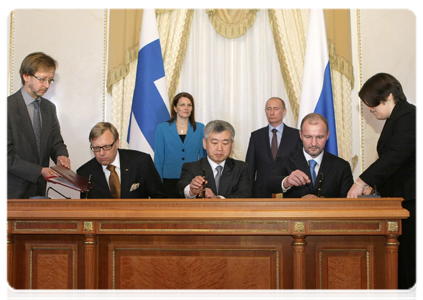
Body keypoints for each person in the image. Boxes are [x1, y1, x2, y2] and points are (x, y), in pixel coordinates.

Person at [346, 73, 419, 299]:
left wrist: (361, 182)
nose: (370, 109)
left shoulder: (410, 116)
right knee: (402, 267)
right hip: (401, 203)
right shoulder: (396, 119)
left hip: (414, 204)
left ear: (388, 97)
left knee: (413, 267)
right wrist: (374, 187)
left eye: (372, 104)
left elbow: (396, 156)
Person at [5, 52, 71, 199]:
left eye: (50, 80)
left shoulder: (49, 108)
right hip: (11, 194)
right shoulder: (6, 108)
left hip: (39, 193)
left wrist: (61, 155)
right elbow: (5, 157)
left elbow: (56, 141)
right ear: (26, 76)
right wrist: (40, 171)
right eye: (42, 79)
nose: (46, 85)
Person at [268, 113, 353, 198]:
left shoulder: (342, 166)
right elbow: (270, 183)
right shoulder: (285, 161)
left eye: (319, 137)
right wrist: (286, 182)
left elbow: (348, 203)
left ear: (327, 135)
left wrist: (324, 203)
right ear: (300, 135)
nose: (314, 143)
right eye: (308, 137)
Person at [77, 122, 166, 199]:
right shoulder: (85, 173)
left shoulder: (141, 162)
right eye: (96, 148)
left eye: (107, 147)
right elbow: (86, 207)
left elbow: (160, 198)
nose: (101, 153)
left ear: (117, 143)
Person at [177, 120, 252, 199]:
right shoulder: (191, 167)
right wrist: (191, 191)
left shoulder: (242, 168)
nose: (219, 148)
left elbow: (245, 194)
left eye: (225, 143)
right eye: (214, 143)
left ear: (232, 145)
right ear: (205, 143)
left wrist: (217, 199)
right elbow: (181, 187)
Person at [246, 97, 302, 198]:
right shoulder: (256, 136)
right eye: (268, 109)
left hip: (290, 192)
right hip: (261, 192)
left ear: (284, 111)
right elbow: (250, 169)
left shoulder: (296, 135)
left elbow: (300, 164)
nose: (272, 112)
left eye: (276, 109)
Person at [154, 92, 206, 198]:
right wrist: (158, 183)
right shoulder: (162, 128)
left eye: (189, 105)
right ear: (175, 108)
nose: (186, 108)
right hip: (168, 180)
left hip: (193, 181)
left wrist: (202, 179)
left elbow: (203, 158)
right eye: (182, 105)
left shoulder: (200, 128)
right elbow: (158, 159)